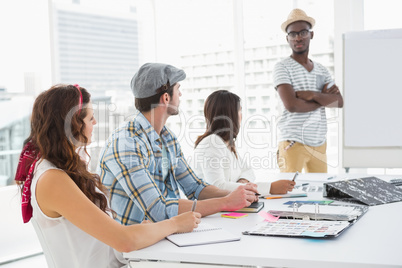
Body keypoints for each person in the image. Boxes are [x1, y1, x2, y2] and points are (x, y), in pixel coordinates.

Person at [14, 84, 201, 268]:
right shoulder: (52, 179)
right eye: (90, 118)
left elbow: (106, 238)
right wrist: (175, 224)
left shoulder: (63, 169)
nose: (95, 123)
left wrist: (146, 230)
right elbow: (123, 241)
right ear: (72, 124)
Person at [98, 63, 257, 226]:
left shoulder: (168, 138)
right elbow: (158, 210)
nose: (180, 94)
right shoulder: (126, 142)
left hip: (164, 236)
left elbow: (196, 188)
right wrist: (226, 202)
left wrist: (240, 195)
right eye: (178, 89)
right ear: (166, 98)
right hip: (133, 246)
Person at [273, 8, 343, 173]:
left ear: (311, 34)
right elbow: (292, 105)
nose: (298, 37)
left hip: (319, 143)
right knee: (288, 191)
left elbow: (339, 102)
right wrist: (323, 99)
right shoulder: (282, 67)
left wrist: (312, 95)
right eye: (293, 34)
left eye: (303, 32)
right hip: (293, 142)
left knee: (320, 194)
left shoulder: (322, 70)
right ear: (287, 38)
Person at [192, 90, 295, 195]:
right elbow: (217, 187)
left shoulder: (225, 143)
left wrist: (242, 182)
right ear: (231, 114)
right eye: (239, 110)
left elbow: (248, 170)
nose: (241, 115)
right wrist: (270, 188)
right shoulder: (211, 143)